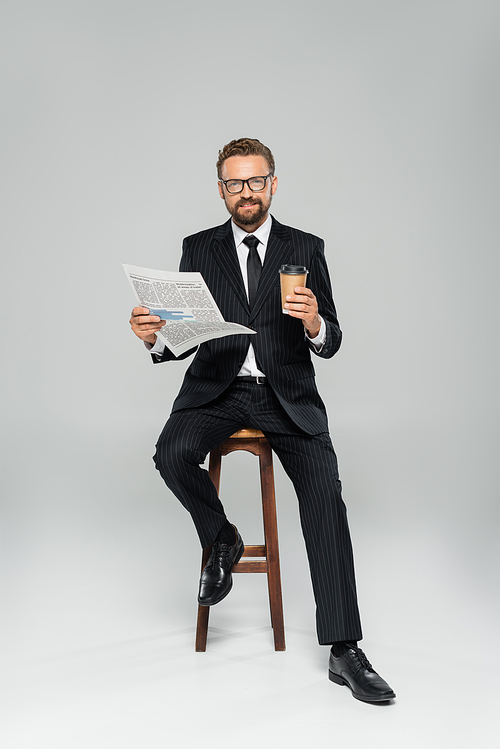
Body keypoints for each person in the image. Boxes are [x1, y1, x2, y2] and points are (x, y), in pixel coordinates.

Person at [129, 138, 395, 703]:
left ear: (273, 184)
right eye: (234, 183)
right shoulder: (198, 248)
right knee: (169, 454)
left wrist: (316, 322)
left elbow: (334, 340)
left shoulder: (305, 247)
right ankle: (221, 536)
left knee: (325, 495)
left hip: (286, 395)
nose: (245, 193)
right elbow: (182, 337)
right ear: (221, 189)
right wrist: (156, 338)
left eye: (254, 182)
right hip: (217, 390)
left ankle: (344, 649)